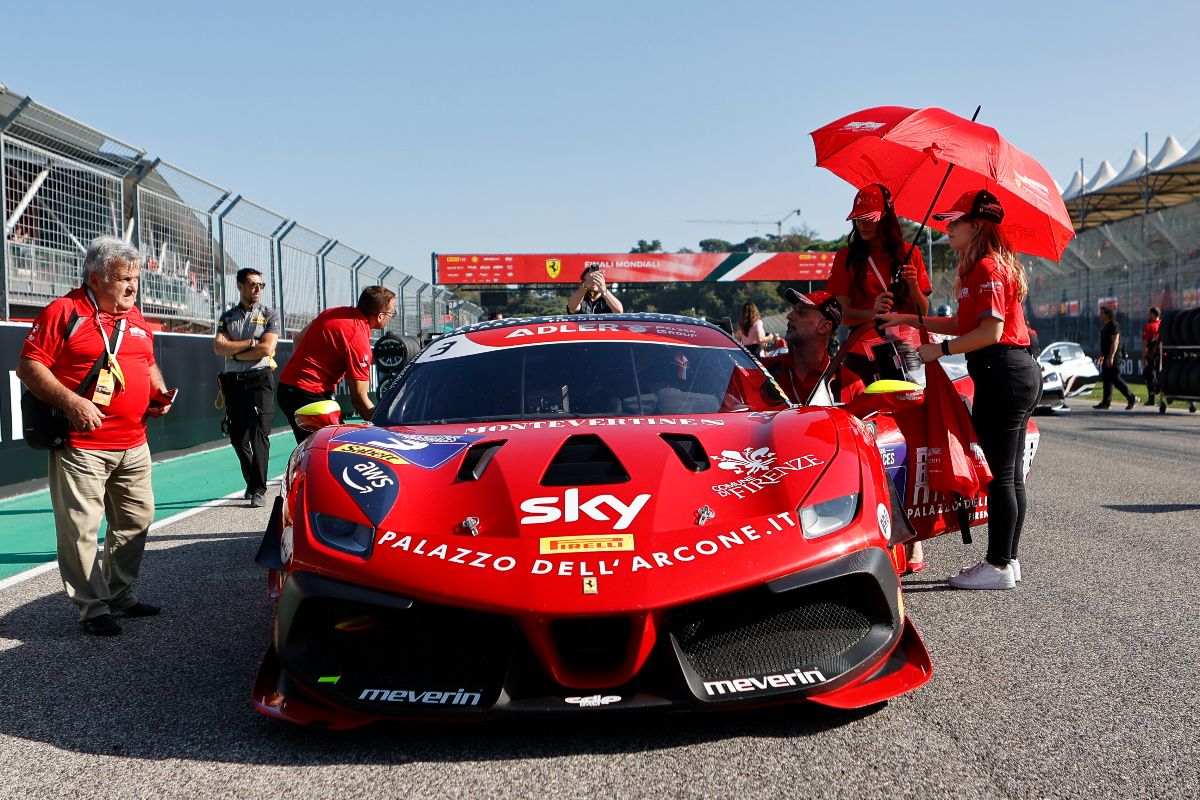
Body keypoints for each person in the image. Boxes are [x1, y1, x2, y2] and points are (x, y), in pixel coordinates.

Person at [877, 189, 1040, 591]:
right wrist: (909, 317)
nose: (947, 228)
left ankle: (998, 564)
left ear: (976, 225)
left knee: (1001, 476)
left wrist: (940, 350)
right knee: (1010, 475)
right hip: (1011, 372)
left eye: (955, 222)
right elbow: (968, 325)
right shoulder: (990, 267)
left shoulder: (986, 268)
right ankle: (1009, 560)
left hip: (1003, 372)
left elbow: (990, 331)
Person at [16, 236, 174, 635]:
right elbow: (30, 368)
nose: (132, 287)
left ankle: (120, 595)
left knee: (137, 519)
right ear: (96, 278)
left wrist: (158, 392)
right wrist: (73, 403)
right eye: (124, 279)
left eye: (136, 278)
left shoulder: (134, 316)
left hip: (135, 442)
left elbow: (147, 361)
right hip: (82, 446)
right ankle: (93, 607)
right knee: (81, 529)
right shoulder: (64, 311)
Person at [826, 184, 932, 384]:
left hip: (906, 350)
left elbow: (923, 314)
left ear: (886, 217)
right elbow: (841, 314)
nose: (861, 225)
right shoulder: (845, 257)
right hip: (861, 351)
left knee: (908, 411)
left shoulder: (910, 253)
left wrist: (913, 286)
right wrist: (872, 313)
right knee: (862, 414)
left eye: (868, 219)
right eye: (857, 219)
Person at [277, 286, 397, 442]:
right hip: (308, 395)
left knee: (316, 447)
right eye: (391, 312)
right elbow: (359, 400)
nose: (391, 316)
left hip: (288, 389)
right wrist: (386, 428)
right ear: (380, 316)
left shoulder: (334, 312)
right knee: (332, 447)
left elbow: (298, 339)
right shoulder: (358, 340)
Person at [214, 268, 280, 507]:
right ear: (240, 286)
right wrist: (251, 343)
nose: (257, 289)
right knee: (237, 437)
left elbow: (267, 349)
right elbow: (219, 348)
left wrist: (237, 352)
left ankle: (259, 489)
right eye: (252, 284)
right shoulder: (227, 316)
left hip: (260, 379)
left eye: (260, 285)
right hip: (233, 382)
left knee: (259, 432)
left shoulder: (269, 314)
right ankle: (252, 482)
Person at [760, 290, 864, 405]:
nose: (789, 316)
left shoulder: (850, 385)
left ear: (824, 327)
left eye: (802, 312)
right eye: (794, 310)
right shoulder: (762, 371)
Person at [1095, 306, 1137, 410]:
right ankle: (1106, 403)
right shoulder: (1106, 326)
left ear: (1108, 315)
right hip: (1106, 356)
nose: (1100, 315)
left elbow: (1115, 341)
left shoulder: (1114, 325)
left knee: (1115, 378)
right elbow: (1105, 343)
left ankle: (1132, 397)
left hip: (1113, 357)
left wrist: (1111, 356)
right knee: (1106, 379)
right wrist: (1102, 355)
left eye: (1102, 313)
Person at [1141, 306, 1162, 406]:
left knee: (1149, 376)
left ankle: (1152, 398)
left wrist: (1143, 358)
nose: (1148, 316)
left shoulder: (1148, 326)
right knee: (1159, 373)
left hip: (1152, 355)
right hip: (1163, 354)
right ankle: (1158, 388)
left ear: (1153, 315)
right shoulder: (1163, 324)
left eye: (1149, 314)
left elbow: (1145, 344)